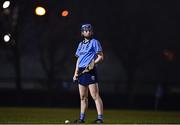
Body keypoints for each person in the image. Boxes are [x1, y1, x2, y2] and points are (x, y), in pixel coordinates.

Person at [73, 24, 104, 124]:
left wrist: (93, 63)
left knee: (95, 95)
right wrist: (75, 73)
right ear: (82, 33)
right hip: (81, 71)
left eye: (89, 30)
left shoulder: (95, 42)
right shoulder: (80, 44)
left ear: (92, 32)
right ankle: (82, 119)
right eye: (85, 30)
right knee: (82, 97)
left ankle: (100, 118)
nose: (87, 32)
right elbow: (78, 59)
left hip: (90, 71)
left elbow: (101, 57)